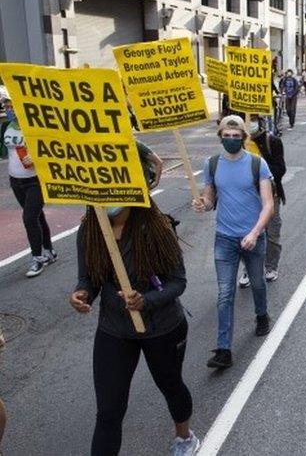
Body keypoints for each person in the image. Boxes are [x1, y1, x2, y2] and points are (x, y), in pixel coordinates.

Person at [69, 201, 198, 456]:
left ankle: (184, 437)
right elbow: (89, 277)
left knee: (171, 384)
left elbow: (178, 282)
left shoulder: (156, 226)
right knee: (108, 411)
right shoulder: (89, 231)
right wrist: (82, 293)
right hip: (114, 330)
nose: (108, 204)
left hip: (162, 327)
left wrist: (145, 300)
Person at [192, 115, 275, 369]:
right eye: (226, 137)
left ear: (243, 137)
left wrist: (254, 232)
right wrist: (202, 204)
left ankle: (262, 315)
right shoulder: (212, 164)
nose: (230, 140)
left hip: (253, 236)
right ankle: (223, 349)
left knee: (258, 283)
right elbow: (209, 198)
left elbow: (268, 204)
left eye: (235, 136)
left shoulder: (257, 164)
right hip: (225, 238)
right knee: (225, 293)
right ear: (220, 137)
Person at [1, 89, 57, 277]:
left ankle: (38, 258)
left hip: (36, 180)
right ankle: (49, 251)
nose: (9, 110)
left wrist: (37, 158)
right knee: (37, 215)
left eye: (12, 106)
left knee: (29, 217)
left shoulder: (34, 126)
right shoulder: (6, 127)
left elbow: (51, 149)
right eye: (6, 107)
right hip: (16, 181)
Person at [244, 120, 286, 284]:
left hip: (270, 194)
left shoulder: (272, 141)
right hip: (247, 197)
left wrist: (259, 172)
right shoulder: (240, 143)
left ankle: (271, 266)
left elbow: (280, 169)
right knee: (247, 232)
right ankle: (248, 269)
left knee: (271, 232)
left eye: (253, 119)